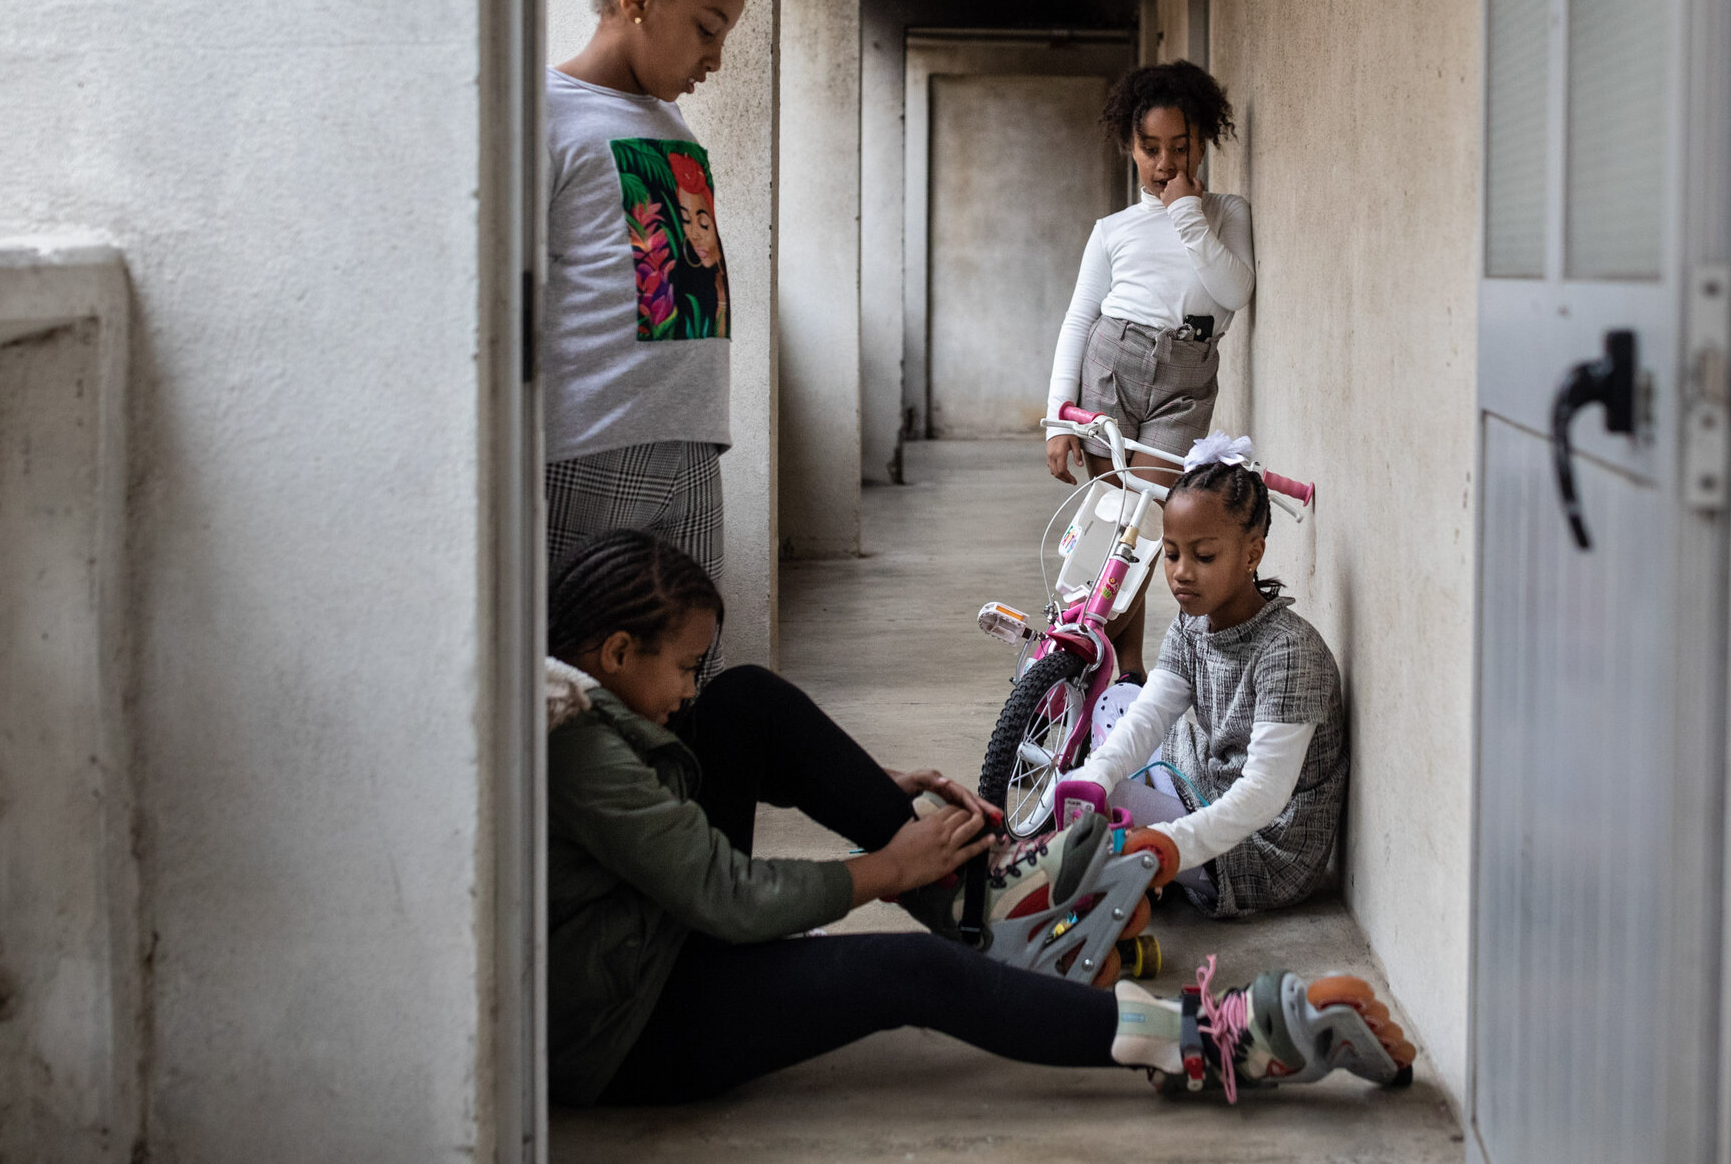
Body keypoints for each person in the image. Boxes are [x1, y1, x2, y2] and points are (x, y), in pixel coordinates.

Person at [544, 530, 1411, 1107]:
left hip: (644, 934)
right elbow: (726, 897)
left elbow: (683, 772)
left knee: (743, 705)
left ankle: (986, 909)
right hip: (631, 1020)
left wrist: (865, 783)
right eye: (684, 666)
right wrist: (891, 866)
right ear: (616, 654)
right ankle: (1204, 1042)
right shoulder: (578, 747)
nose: (687, 687)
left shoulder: (588, 701)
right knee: (916, 974)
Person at [544, 0, 744, 682]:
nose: (714, 58)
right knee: (582, 670)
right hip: (589, 447)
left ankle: (684, 810)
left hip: (692, 444)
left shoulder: (670, 122)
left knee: (688, 669)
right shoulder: (548, 114)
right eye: (705, 29)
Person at [1077, 437, 1348, 919]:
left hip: (1256, 849)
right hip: (1201, 782)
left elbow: (1263, 795)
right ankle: (1140, 857)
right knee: (1116, 711)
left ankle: (1153, 865)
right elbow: (1153, 712)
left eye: (1203, 557)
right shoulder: (1193, 621)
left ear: (1251, 554)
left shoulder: (1288, 653)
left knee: (1094, 804)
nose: (1181, 574)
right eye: (1172, 553)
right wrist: (1097, 775)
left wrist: (1168, 841)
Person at [1044, 62, 1255, 675]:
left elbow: (1233, 290)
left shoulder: (1226, 212)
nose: (1165, 164)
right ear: (1129, 147)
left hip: (1183, 385)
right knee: (1113, 526)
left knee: (1142, 520)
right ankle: (1124, 669)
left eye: (1181, 148)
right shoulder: (1112, 230)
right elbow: (1078, 320)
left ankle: (1092, 656)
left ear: (1203, 143)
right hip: (1111, 365)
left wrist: (1187, 213)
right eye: (1150, 149)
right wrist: (1058, 419)